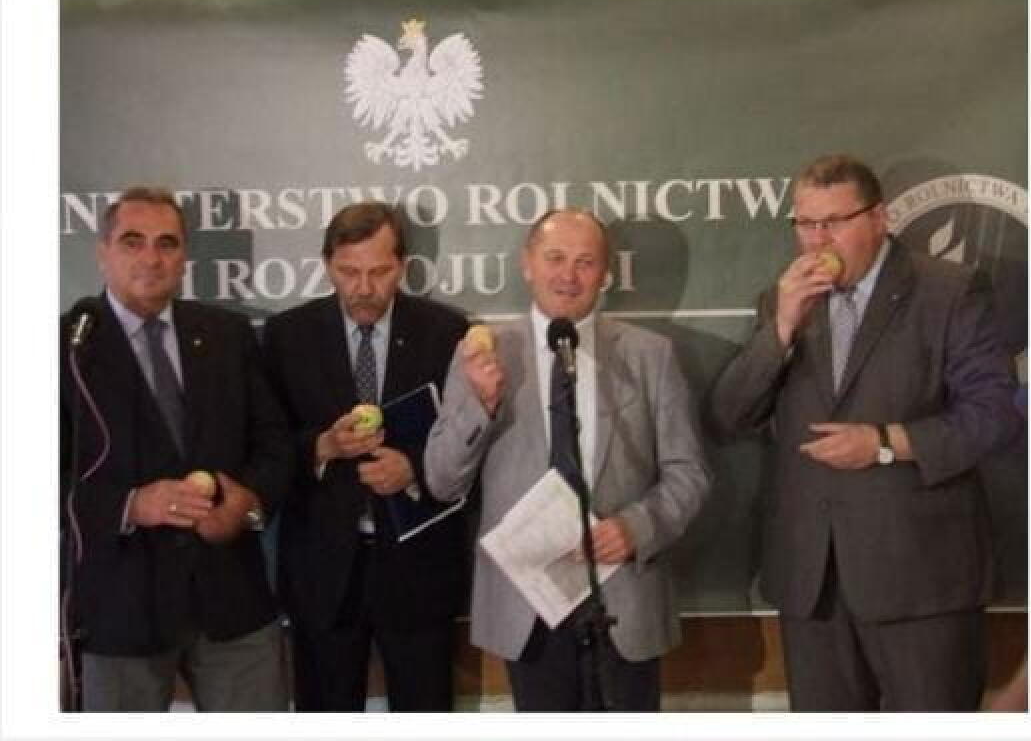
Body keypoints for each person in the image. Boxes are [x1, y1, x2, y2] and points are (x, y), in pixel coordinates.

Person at [709, 154, 1023, 711]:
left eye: (834, 222)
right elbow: (730, 414)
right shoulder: (783, 299)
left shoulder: (948, 291)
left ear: (879, 218)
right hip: (813, 584)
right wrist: (781, 326)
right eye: (806, 223)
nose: (817, 239)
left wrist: (884, 443)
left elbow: (994, 415)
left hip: (920, 580)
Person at [425, 208, 709, 711]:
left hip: (624, 600)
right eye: (555, 258)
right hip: (528, 606)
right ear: (527, 263)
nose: (568, 276)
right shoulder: (482, 355)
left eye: (585, 262)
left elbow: (689, 473)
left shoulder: (651, 355)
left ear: (605, 273)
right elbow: (442, 481)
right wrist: (482, 405)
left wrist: (637, 527)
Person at [60, 187, 292, 711]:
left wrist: (247, 505)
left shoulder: (228, 334)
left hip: (232, 600)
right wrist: (131, 505)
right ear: (102, 253)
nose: (151, 258)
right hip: (120, 612)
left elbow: (275, 443)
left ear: (185, 256)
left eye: (167, 243)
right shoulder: (66, 346)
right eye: (132, 241)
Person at [262, 203, 468, 711]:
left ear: (402, 266)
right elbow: (266, 445)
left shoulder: (445, 332)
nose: (363, 287)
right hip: (323, 573)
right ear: (327, 265)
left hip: (419, 571)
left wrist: (414, 468)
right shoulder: (288, 335)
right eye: (349, 272)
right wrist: (322, 447)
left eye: (378, 272)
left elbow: (469, 441)